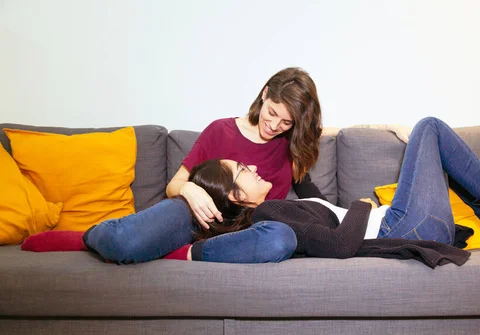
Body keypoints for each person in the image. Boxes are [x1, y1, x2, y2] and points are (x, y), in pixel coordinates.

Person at [22, 67, 323, 264]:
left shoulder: (292, 146)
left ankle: (188, 254)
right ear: (265, 94)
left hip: (243, 232)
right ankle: (91, 236)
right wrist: (190, 190)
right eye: (272, 113)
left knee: (283, 238)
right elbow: (174, 186)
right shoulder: (221, 131)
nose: (274, 125)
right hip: (192, 218)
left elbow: (311, 196)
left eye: (286, 122)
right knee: (124, 244)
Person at [167, 117, 480, 266]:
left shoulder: (285, 205)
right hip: (401, 228)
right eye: (244, 170)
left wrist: (382, 126)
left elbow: (323, 134)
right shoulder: (270, 216)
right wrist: (360, 205)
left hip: (403, 224)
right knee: (430, 128)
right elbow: (342, 244)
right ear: (236, 197)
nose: (253, 166)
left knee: (426, 134)